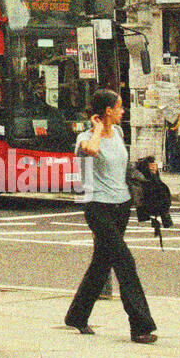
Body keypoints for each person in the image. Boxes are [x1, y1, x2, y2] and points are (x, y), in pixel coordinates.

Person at [65, 89, 157, 343]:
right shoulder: (85, 138)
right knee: (125, 262)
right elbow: (92, 151)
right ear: (108, 111)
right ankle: (140, 326)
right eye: (119, 107)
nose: (123, 111)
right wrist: (96, 128)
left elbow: (122, 166)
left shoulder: (118, 132)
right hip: (98, 207)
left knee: (101, 264)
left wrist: (144, 167)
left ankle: (77, 316)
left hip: (121, 206)